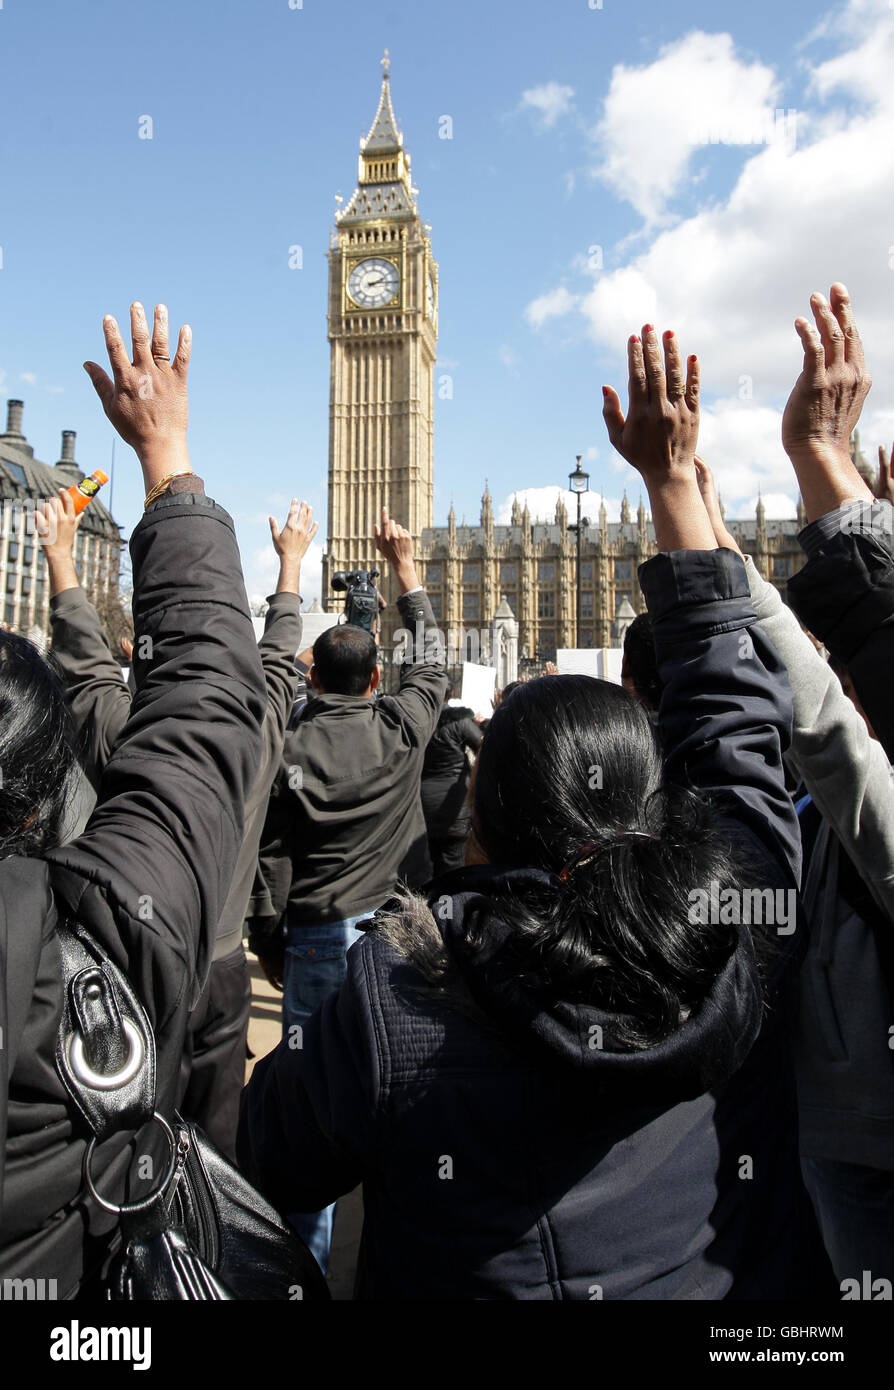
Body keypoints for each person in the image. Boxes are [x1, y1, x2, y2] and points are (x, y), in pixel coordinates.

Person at [239, 325, 819, 1299]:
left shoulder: (399, 999)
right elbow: (736, 738)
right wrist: (678, 488)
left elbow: (265, 1152)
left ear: (482, 821)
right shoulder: (740, 936)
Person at [0, 302, 267, 1294]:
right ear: (44, 791)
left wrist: (67, 566)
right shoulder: (99, 952)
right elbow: (205, 702)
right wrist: (167, 452)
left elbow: (194, 697)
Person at [38, 483, 316, 1159]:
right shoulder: (262, 722)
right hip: (222, 963)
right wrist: (290, 566)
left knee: (124, 1128)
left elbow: (80, 665)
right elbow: (278, 654)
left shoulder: (121, 726)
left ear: (138, 657)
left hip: (131, 962)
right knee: (215, 1141)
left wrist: (59, 555)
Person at [248, 508, 447, 1269]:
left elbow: (270, 859)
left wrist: (272, 940)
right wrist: (406, 572)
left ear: (311, 678)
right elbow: (431, 666)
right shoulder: (399, 730)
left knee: (314, 1109)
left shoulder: (287, 747)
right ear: (372, 679)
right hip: (398, 943)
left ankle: (303, 1268)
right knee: (403, 1094)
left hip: (317, 940)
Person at [420, 686, 482, 876]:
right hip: (454, 807)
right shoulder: (459, 722)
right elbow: (484, 746)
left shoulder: (417, 720)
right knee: (453, 870)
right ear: (450, 695)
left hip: (422, 807)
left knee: (428, 868)